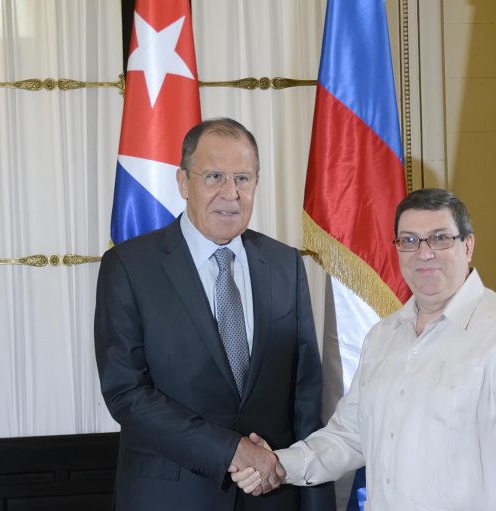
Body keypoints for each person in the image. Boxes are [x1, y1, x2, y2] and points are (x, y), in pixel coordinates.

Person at [232, 188, 496, 510]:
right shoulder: (382, 337)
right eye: (409, 240)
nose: (424, 253)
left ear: (468, 246)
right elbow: (350, 437)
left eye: (440, 238)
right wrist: (277, 463)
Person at [94, 118, 334, 511]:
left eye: (243, 178)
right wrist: (229, 450)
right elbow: (127, 392)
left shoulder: (285, 265)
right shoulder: (129, 267)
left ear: (257, 183)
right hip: (169, 497)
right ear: (184, 182)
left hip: (272, 498)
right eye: (214, 176)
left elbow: (305, 395)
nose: (231, 193)